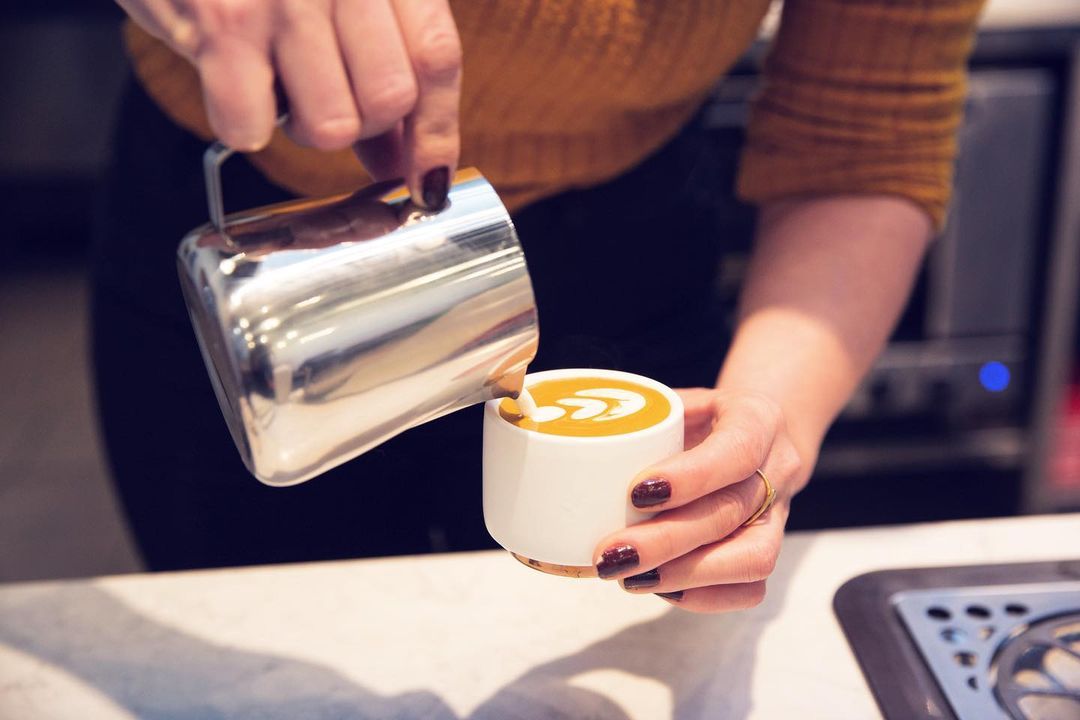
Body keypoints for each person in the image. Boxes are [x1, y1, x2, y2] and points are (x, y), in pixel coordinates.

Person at [96, 0, 985, 613]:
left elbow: (865, 135)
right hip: (264, 251)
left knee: (592, 626)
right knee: (270, 642)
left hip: (628, 240)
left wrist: (772, 424)